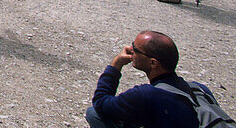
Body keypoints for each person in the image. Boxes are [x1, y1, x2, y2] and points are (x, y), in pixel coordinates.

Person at [87, 31, 227, 128]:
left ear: (153, 63)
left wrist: (116, 64)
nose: (130, 49)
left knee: (94, 114)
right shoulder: (199, 89)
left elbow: (100, 102)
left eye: (135, 49)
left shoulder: (147, 95)